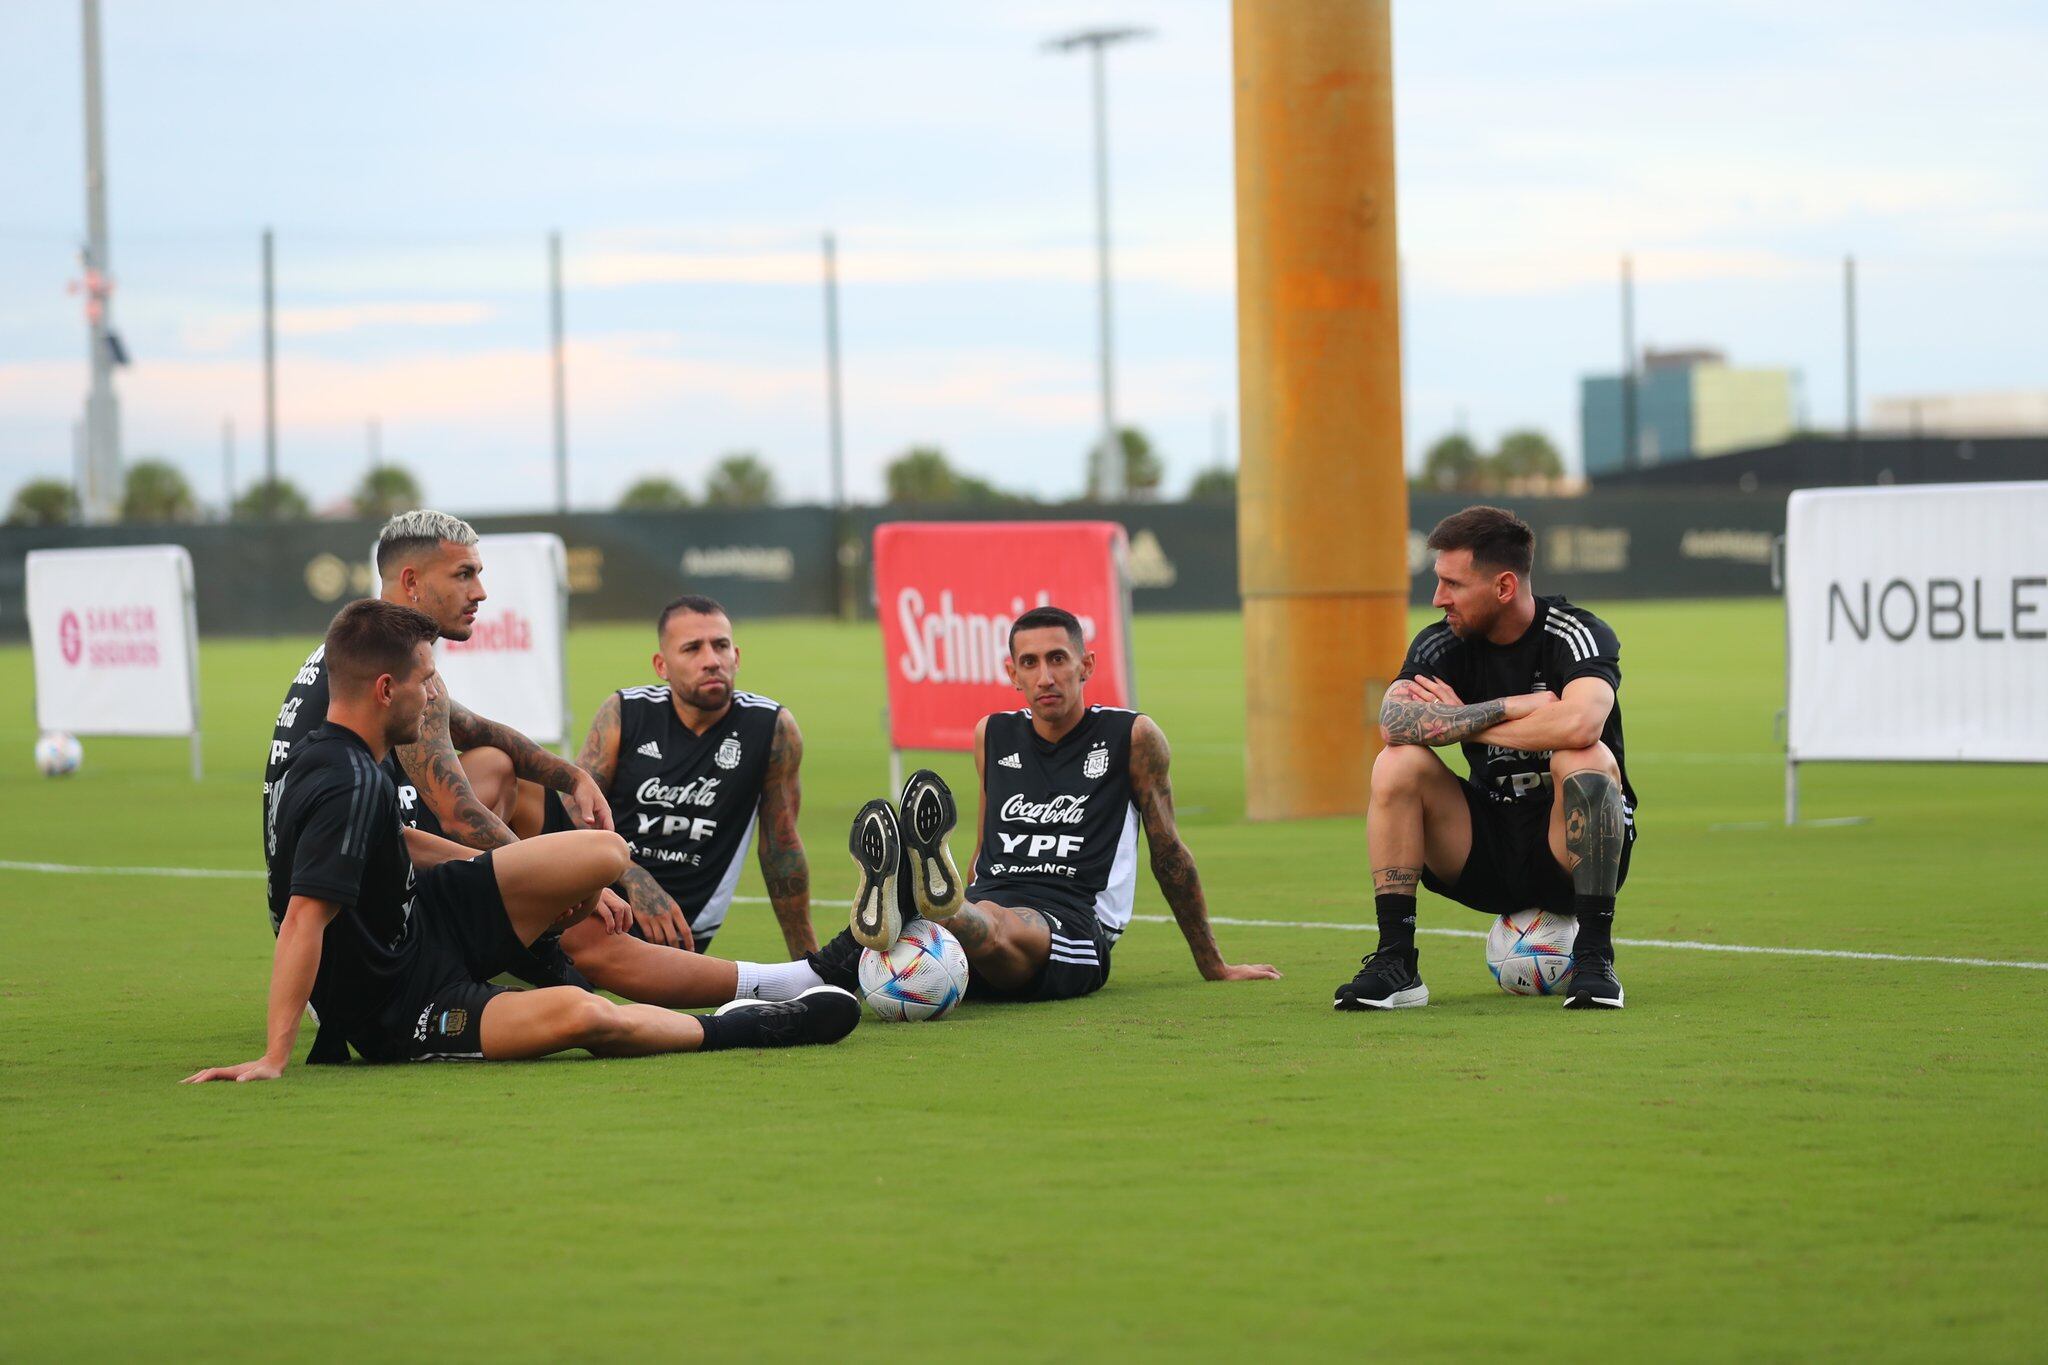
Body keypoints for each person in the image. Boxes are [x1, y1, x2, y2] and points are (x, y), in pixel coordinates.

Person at [188, 599, 857, 1081]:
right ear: (387, 688)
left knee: (605, 855)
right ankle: (755, 1021)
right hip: (401, 1002)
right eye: (426, 686)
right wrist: (275, 1055)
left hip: (429, 918)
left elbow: (396, 840)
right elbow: (304, 917)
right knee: (587, 1015)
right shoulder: (347, 781)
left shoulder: (339, 755)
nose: (433, 704)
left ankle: (547, 948)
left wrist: (543, 880)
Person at [265, 511, 825, 1016]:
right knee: (588, 942)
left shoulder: (361, 647)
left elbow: (475, 730)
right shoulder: (396, 668)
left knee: (499, 768)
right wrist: (575, 882)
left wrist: (571, 775)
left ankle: (553, 958)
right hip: (357, 942)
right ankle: (792, 982)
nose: (480, 592)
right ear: (411, 583)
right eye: (464, 575)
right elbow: (459, 816)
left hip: (335, 907)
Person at [803, 605, 1280, 1003]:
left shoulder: (1131, 736)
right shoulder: (993, 733)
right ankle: (899, 921)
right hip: (989, 897)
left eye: (1057, 659)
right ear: (1012, 673)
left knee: (997, 929)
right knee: (884, 965)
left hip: (1074, 920)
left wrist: (1212, 963)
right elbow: (988, 840)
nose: (1046, 676)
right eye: (1029, 663)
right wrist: (968, 886)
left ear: (1086, 665)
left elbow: (1169, 853)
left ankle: (936, 904)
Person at [1332, 505, 1635, 1013]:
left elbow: (1581, 723)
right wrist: (1510, 708)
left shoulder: (1575, 633)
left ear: (1504, 587)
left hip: (1569, 848)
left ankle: (1594, 958)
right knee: (1396, 762)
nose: (1437, 598)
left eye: (1453, 584)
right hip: (1486, 843)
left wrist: (1462, 720)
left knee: (1584, 758)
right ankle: (1395, 963)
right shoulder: (1441, 643)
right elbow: (1394, 722)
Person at [575, 595, 815, 961]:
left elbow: (780, 849)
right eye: (692, 649)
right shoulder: (624, 712)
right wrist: (631, 875)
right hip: (602, 904)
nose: (711, 661)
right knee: (508, 773)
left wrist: (808, 960)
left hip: (679, 932)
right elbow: (573, 814)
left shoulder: (770, 728)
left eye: (720, 646)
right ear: (662, 665)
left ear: (736, 657)